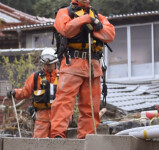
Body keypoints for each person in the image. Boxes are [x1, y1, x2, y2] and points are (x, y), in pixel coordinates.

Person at [49, 0, 115, 139]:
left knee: (91, 107)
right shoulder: (64, 12)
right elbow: (66, 30)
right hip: (72, 63)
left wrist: (94, 27)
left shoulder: (97, 15)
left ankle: (87, 138)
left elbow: (110, 34)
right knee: (64, 103)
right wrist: (86, 20)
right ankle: (57, 135)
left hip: (93, 66)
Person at [7, 48, 59, 138]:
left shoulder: (63, 77)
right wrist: (15, 92)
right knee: (37, 145)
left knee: (59, 143)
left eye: (50, 64)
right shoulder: (35, 77)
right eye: (45, 64)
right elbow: (25, 92)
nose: (47, 66)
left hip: (58, 118)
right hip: (42, 118)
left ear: (55, 63)